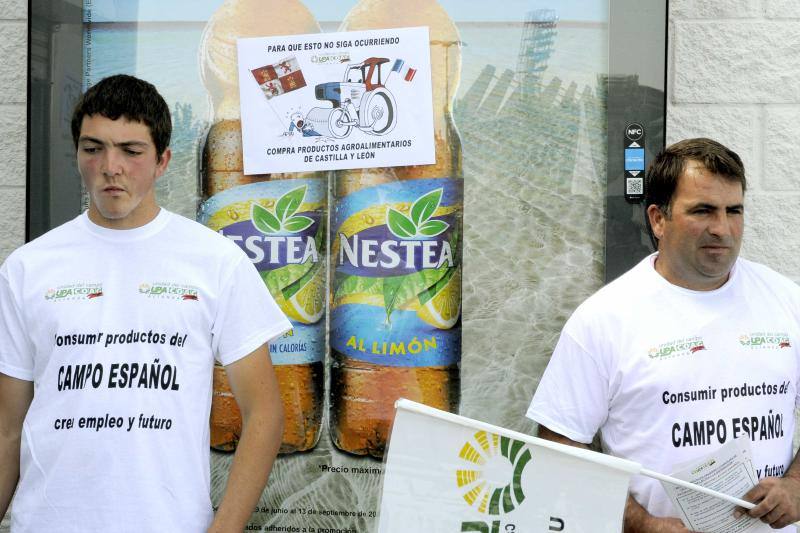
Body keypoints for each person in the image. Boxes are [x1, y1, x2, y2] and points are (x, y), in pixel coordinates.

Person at [0, 74, 292, 532]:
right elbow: (7, 429)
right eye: (92, 148)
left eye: (131, 151)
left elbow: (265, 414)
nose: (110, 166)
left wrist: (225, 527)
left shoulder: (216, 262)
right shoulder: (27, 268)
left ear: (162, 161)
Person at [527, 138, 800, 531]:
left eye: (733, 210)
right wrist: (642, 523)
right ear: (658, 219)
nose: (722, 229)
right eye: (703, 211)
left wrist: (795, 486)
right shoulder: (605, 319)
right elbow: (558, 445)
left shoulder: (785, 300)